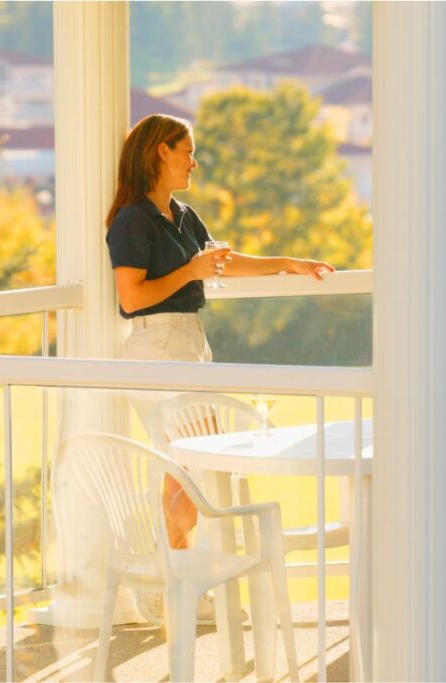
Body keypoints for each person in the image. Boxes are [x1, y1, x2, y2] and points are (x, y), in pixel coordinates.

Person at [105, 113, 334, 620]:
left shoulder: (183, 215)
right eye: (187, 150)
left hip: (190, 344)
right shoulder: (131, 220)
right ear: (160, 152)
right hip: (156, 348)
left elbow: (220, 262)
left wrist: (286, 262)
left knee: (184, 470)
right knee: (196, 465)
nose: (194, 160)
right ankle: (168, 581)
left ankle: (170, 582)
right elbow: (130, 297)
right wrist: (189, 270)